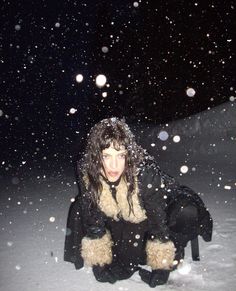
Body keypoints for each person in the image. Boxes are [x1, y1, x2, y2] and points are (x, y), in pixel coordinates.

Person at [64, 117, 213, 287]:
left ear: (129, 154)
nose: (114, 165)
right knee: (79, 207)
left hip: (159, 207)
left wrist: (161, 265)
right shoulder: (87, 170)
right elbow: (92, 210)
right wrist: (99, 258)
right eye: (106, 156)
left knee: (179, 214)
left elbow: (158, 221)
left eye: (121, 155)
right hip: (128, 214)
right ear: (96, 157)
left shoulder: (144, 174)